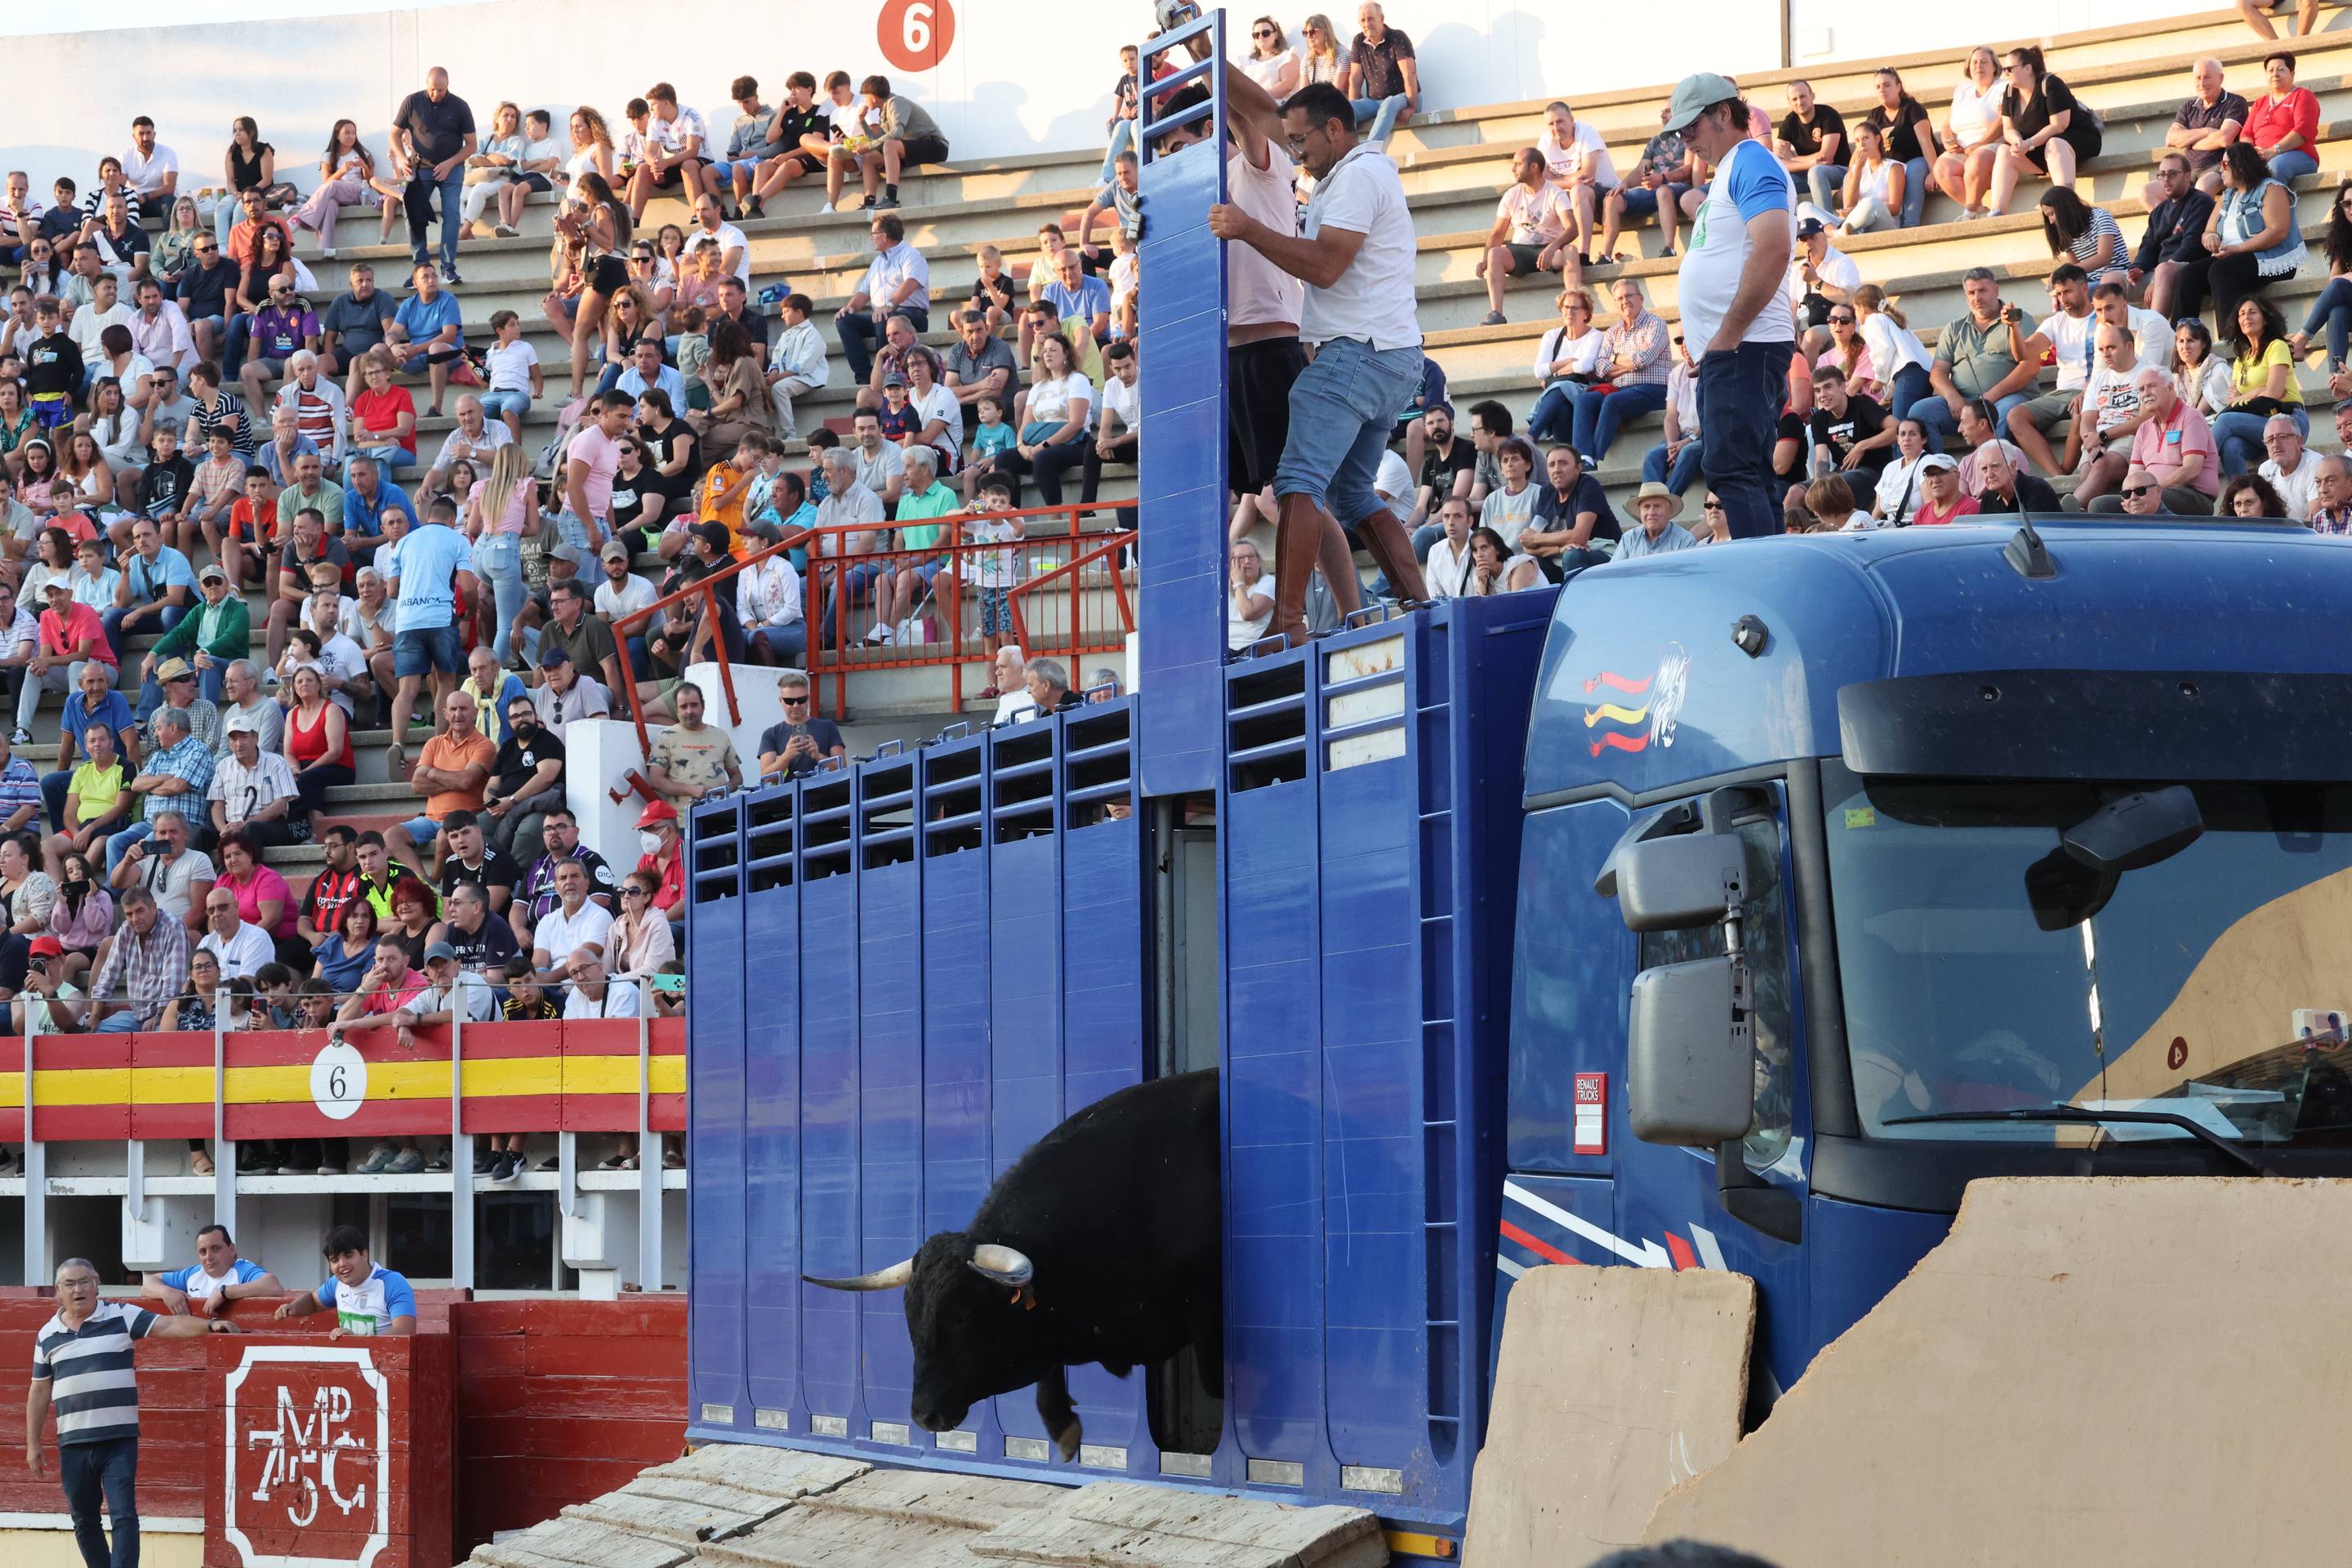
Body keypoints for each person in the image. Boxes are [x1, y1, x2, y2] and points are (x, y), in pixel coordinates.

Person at [1207, 80, 1427, 642]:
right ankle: (1419, 607)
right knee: (1351, 494)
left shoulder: (1356, 178)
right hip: (1392, 358)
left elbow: (1326, 267)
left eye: (1302, 141)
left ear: (1335, 129)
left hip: (1355, 353)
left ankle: (1287, 623)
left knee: (1297, 482)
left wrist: (1248, 228)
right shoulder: (1352, 169)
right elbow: (1266, 112)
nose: (1294, 150)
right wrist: (1200, 48)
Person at [32, 1258, 238, 1568]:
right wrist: (32, 1444)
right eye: (70, 1284)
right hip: (72, 1441)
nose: (79, 1289)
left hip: (118, 1437)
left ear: (97, 1283)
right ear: (59, 1291)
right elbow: (39, 1390)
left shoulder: (120, 1315)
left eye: (85, 1281)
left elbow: (168, 1325)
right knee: (84, 1520)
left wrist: (210, 1325)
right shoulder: (48, 1333)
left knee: (123, 1514)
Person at [1665, 74, 1795, 541]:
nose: (1686, 142)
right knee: (1747, 473)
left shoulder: (1750, 161)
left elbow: (1774, 247)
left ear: (1723, 113)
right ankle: (1770, 581)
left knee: (1731, 470)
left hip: (1745, 345)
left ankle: (1760, 586)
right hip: (1738, 347)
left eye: (1690, 129)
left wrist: (1727, 333)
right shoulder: (1736, 168)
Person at [1986, 46, 2102, 216]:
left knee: (2054, 143)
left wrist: (2029, 143)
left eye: (2009, 69)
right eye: (2004, 70)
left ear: (2028, 68)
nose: (2005, 74)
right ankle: (1997, 211)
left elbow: (2059, 125)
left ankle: (2065, 203)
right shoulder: (2009, 93)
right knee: (2004, 151)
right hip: (2038, 148)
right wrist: (2017, 141)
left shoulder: (2051, 84)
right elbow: (2008, 128)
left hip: (2076, 140)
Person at [387, 688, 493, 871]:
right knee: (391, 836)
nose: (457, 715)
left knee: (445, 837)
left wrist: (433, 772)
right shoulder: (434, 743)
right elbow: (417, 785)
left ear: (474, 712)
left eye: (464, 709)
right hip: (429, 819)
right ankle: (422, 879)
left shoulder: (484, 745)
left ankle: (435, 880)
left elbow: (466, 781)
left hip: (465, 817)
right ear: (445, 713)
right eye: (452, 709)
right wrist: (455, 780)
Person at [2204, 140, 2305, 334]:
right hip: (2234, 256)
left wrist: (2238, 249)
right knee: (2188, 276)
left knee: (2220, 271)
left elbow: (2277, 232)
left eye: (2225, 165)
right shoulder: (2228, 195)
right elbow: (2208, 230)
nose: (2220, 170)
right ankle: (2183, 336)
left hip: (2272, 258)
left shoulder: (2271, 188)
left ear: (2241, 166)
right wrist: (2210, 238)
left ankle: (2230, 338)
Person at [390, 67, 477, 284]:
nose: (436, 94)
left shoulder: (460, 106)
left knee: (451, 213)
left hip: (452, 168)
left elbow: (472, 145)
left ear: (448, 85)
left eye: (440, 89)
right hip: (421, 167)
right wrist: (402, 158)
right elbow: (394, 133)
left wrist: (450, 163)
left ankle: (448, 267)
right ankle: (420, 266)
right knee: (412, 211)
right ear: (426, 84)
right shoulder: (412, 102)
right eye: (432, 89)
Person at [2090, 367, 2218, 514]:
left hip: (2191, 495)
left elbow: (2191, 469)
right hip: (2148, 494)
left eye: (2151, 386)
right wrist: (2132, 495)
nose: (2146, 393)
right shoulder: (2144, 429)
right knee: (2098, 505)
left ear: (2170, 387)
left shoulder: (2191, 417)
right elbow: (2133, 475)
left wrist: (2153, 490)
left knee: (2150, 502)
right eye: (2142, 389)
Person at [2213, 296, 2304, 476]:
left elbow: (2274, 393)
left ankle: (2198, 463)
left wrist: (2248, 396)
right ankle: (2239, 497)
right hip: (2258, 423)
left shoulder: (2277, 346)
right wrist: (2258, 391)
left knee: (2225, 420)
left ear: (2266, 318)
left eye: (2253, 312)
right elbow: (2231, 401)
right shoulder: (2242, 359)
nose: (2246, 317)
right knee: (2231, 446)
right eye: (2242, 314)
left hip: (2288, 419)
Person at [273, 1224, 416, 1336]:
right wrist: (291, 1308)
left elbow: (405, 1332)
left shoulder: (392, 1283)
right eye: (334, 1260)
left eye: (348, 1256)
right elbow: (313, 1301)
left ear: (364, 1255)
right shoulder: (337, 1283)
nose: (341, 1264)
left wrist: (358, 1341)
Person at [837, 215, 929, 385]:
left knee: (885, 318)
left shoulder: (911, 255)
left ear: (884, 236)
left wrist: (889, 305)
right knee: (845, 321)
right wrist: (848, 308)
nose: (871, 238)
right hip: (883, 316)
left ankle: (888, 375)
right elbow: (864, 293)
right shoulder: (877, 263)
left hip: (911, 315)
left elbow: (911, 283)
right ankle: (866, 374)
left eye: (873, 234)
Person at [2129, 154, 2216, 323]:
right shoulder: (2160, 210)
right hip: (2158, 272)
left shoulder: (2201, 202)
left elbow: (2191, 248)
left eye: (2172, 174)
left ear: (2187, 176)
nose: (2166, 179)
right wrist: (2139, 267)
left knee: (2164, 270)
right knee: (2112, 280)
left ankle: (2156, 336)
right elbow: (2148, 245)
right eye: (2161, 175)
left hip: (2184, 269)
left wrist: (2155, 279)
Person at [144, 1225, 283, 1319]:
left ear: (232, 1249)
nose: (209, 1257)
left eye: (216, 1249)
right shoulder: (195, 1273)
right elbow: (149, 1283)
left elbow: (272, 1285)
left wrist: (224, 1292)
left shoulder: (242, 1270)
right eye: (203, 1252)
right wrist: (166, 1292)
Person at [2161, 57, 2250, 198]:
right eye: (2198, 78)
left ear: (2220, 78)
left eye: (2207, 77)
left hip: (2221, 167)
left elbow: (2224, 139)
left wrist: (2188, 141)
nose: (2202, 83)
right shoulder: (2188, 107)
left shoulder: (2235, 102)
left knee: (2202, 188)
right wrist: (2207, 131)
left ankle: (2196, 220)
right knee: (2148, 192)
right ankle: (2170, 220)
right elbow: (2170, 139)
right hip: (2188, 169)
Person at [1343, 2, 1419, 148]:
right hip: (1375, 102)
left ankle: (1369, 152)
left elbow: (1410, 73)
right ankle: (1349, 152)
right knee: (1348, 109)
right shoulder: (1359, 41)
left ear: (1381, 18)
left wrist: (1412, 107)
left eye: (1371, 19)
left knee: (1389, 103)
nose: (1367, 24)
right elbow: (1355, 78)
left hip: (1403, 97)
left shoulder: (1397, 37)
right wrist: (1355, 106)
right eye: (1363, 21)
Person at [2247, 50, 2321, 183]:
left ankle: (2274, 204)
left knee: (2274, 168)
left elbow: (2303, 130)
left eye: (2280, 70)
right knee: (2234, 172)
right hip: (2260, 156)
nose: (2275, 74)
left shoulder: (2303, 95)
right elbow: (2246, 133)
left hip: (2297, 155)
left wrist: (2273, 151)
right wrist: (2251, 153)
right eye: (2270, 71)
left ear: (2292, 74)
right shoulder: (2260, 102)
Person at [755, 670, 845, 781]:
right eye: (789, 701)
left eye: (801, 700)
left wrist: (818, 756)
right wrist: (787, 756)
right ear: (781, 701)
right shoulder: (771, 734)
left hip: (826, 792)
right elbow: (766, 779)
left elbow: (842, 768)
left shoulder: (827, 727)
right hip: (790, 795)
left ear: (808, 698)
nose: (796, 705)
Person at [1775, 80, 1848, 216]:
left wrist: (1792, 158)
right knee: (1777, 182)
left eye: (1803, 96)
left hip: (1841, 171)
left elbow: (1826, 157)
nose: (1799, 102)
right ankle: (1788, 230)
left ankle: (1826, 222)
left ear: (1812, 96)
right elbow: (1779, 162)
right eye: (1794, 99)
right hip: (1809, 173)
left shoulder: (1829, 115)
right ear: (1790, 102)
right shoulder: (1789, 123)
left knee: (1817, 172)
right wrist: (1809, 163)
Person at [1971, 440, 2063, 514]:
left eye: (1995, 467)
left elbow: (2035, 534)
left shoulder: (2038, 490)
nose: (1989, 474)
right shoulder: (1988, 497)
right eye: (1984, 469)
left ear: (2012, 466)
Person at [1616, 483, 1696, 559]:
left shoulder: (1685, 541)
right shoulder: (1629, 538)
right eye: (1646, 507)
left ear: (1670, 512)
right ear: (1640, 513)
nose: (1651, 512)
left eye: (1657, 506)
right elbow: (1614, 571)